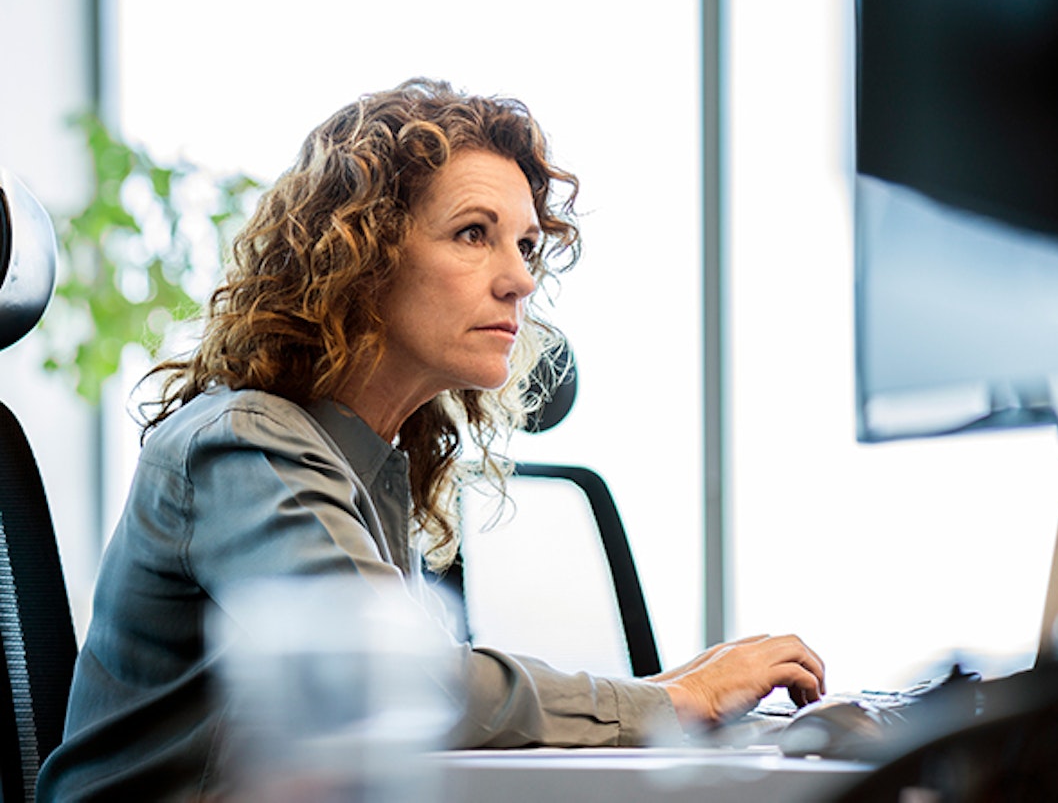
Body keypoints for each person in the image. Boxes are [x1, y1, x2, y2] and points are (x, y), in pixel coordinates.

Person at [36, 78, 825, 801]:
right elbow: (402, 681)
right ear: (359, 257)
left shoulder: (369, 459)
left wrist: (671, 690)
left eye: (524, 246)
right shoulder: (245, 443)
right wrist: (672, 701)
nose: (519, 278)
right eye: (474, 233)